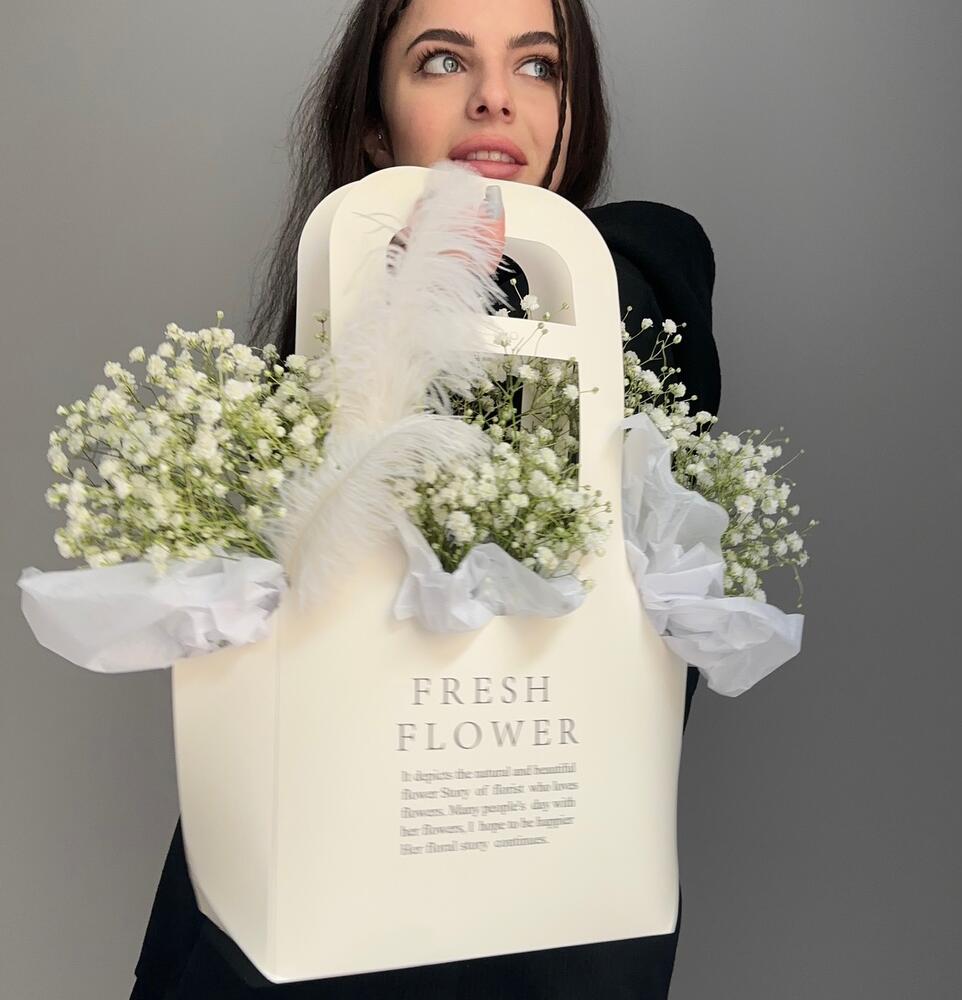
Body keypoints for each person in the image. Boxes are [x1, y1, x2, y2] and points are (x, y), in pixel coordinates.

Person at [130, 1, 721, 997]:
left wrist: (442, 275)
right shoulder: (317, 343)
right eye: (443, 61)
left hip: (537, 931)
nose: (495, 96)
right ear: (373, 125)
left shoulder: (640, 265)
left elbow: (580, 350)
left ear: (574, 112)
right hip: (297, 910)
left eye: (539, 66)